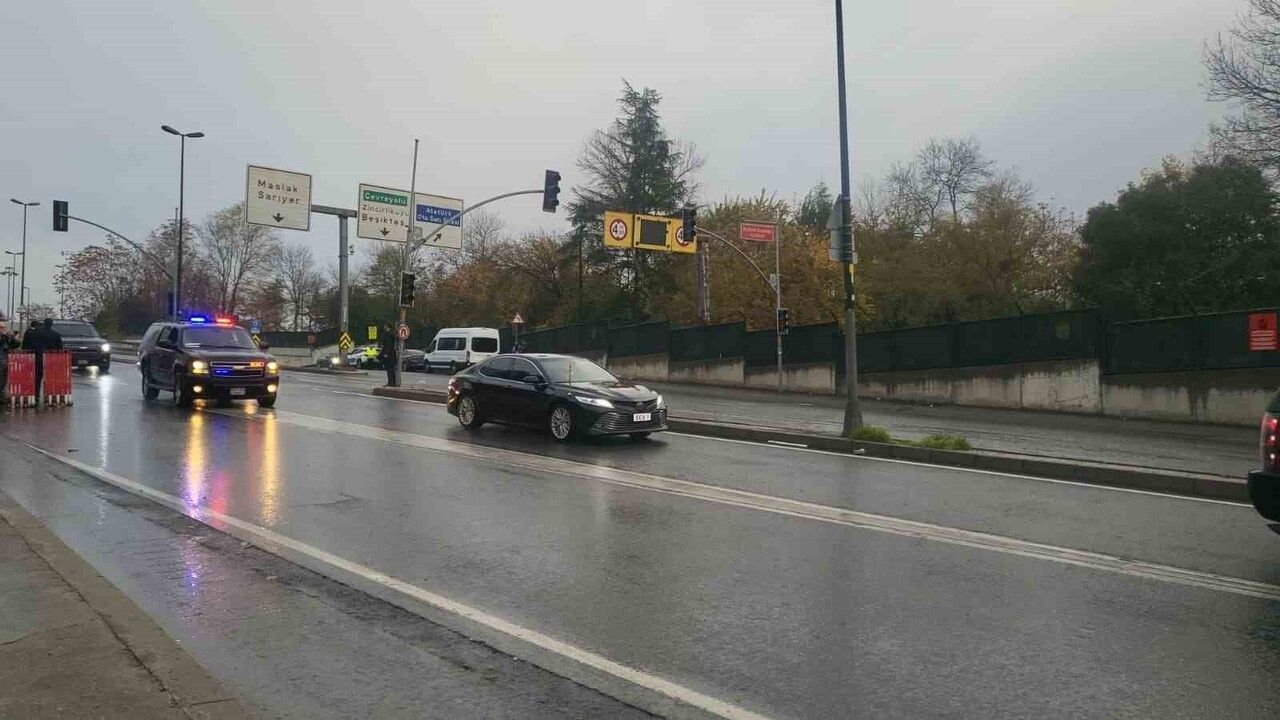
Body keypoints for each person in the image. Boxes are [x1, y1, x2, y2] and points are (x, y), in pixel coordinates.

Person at [22, 318, 63, 404]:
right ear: (52, 324)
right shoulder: (56, 335)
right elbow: (59, 349)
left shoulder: (35, 334)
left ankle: (36, 395)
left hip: (38, 358)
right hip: (51, 359)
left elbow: (28, 346)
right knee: (50, 377)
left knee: (37, 377)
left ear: (43, 324)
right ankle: (50, 395)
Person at [379, 322, 398, 387]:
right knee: (390, 368)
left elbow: (389, 344)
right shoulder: (390, 333)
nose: (384, 327)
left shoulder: (389, 334)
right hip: (390, 353)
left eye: (385, 325)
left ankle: (391, 382)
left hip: (390, 354)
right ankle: (392, 382)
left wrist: (386, 353)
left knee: (390, 368)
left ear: (387, 326)